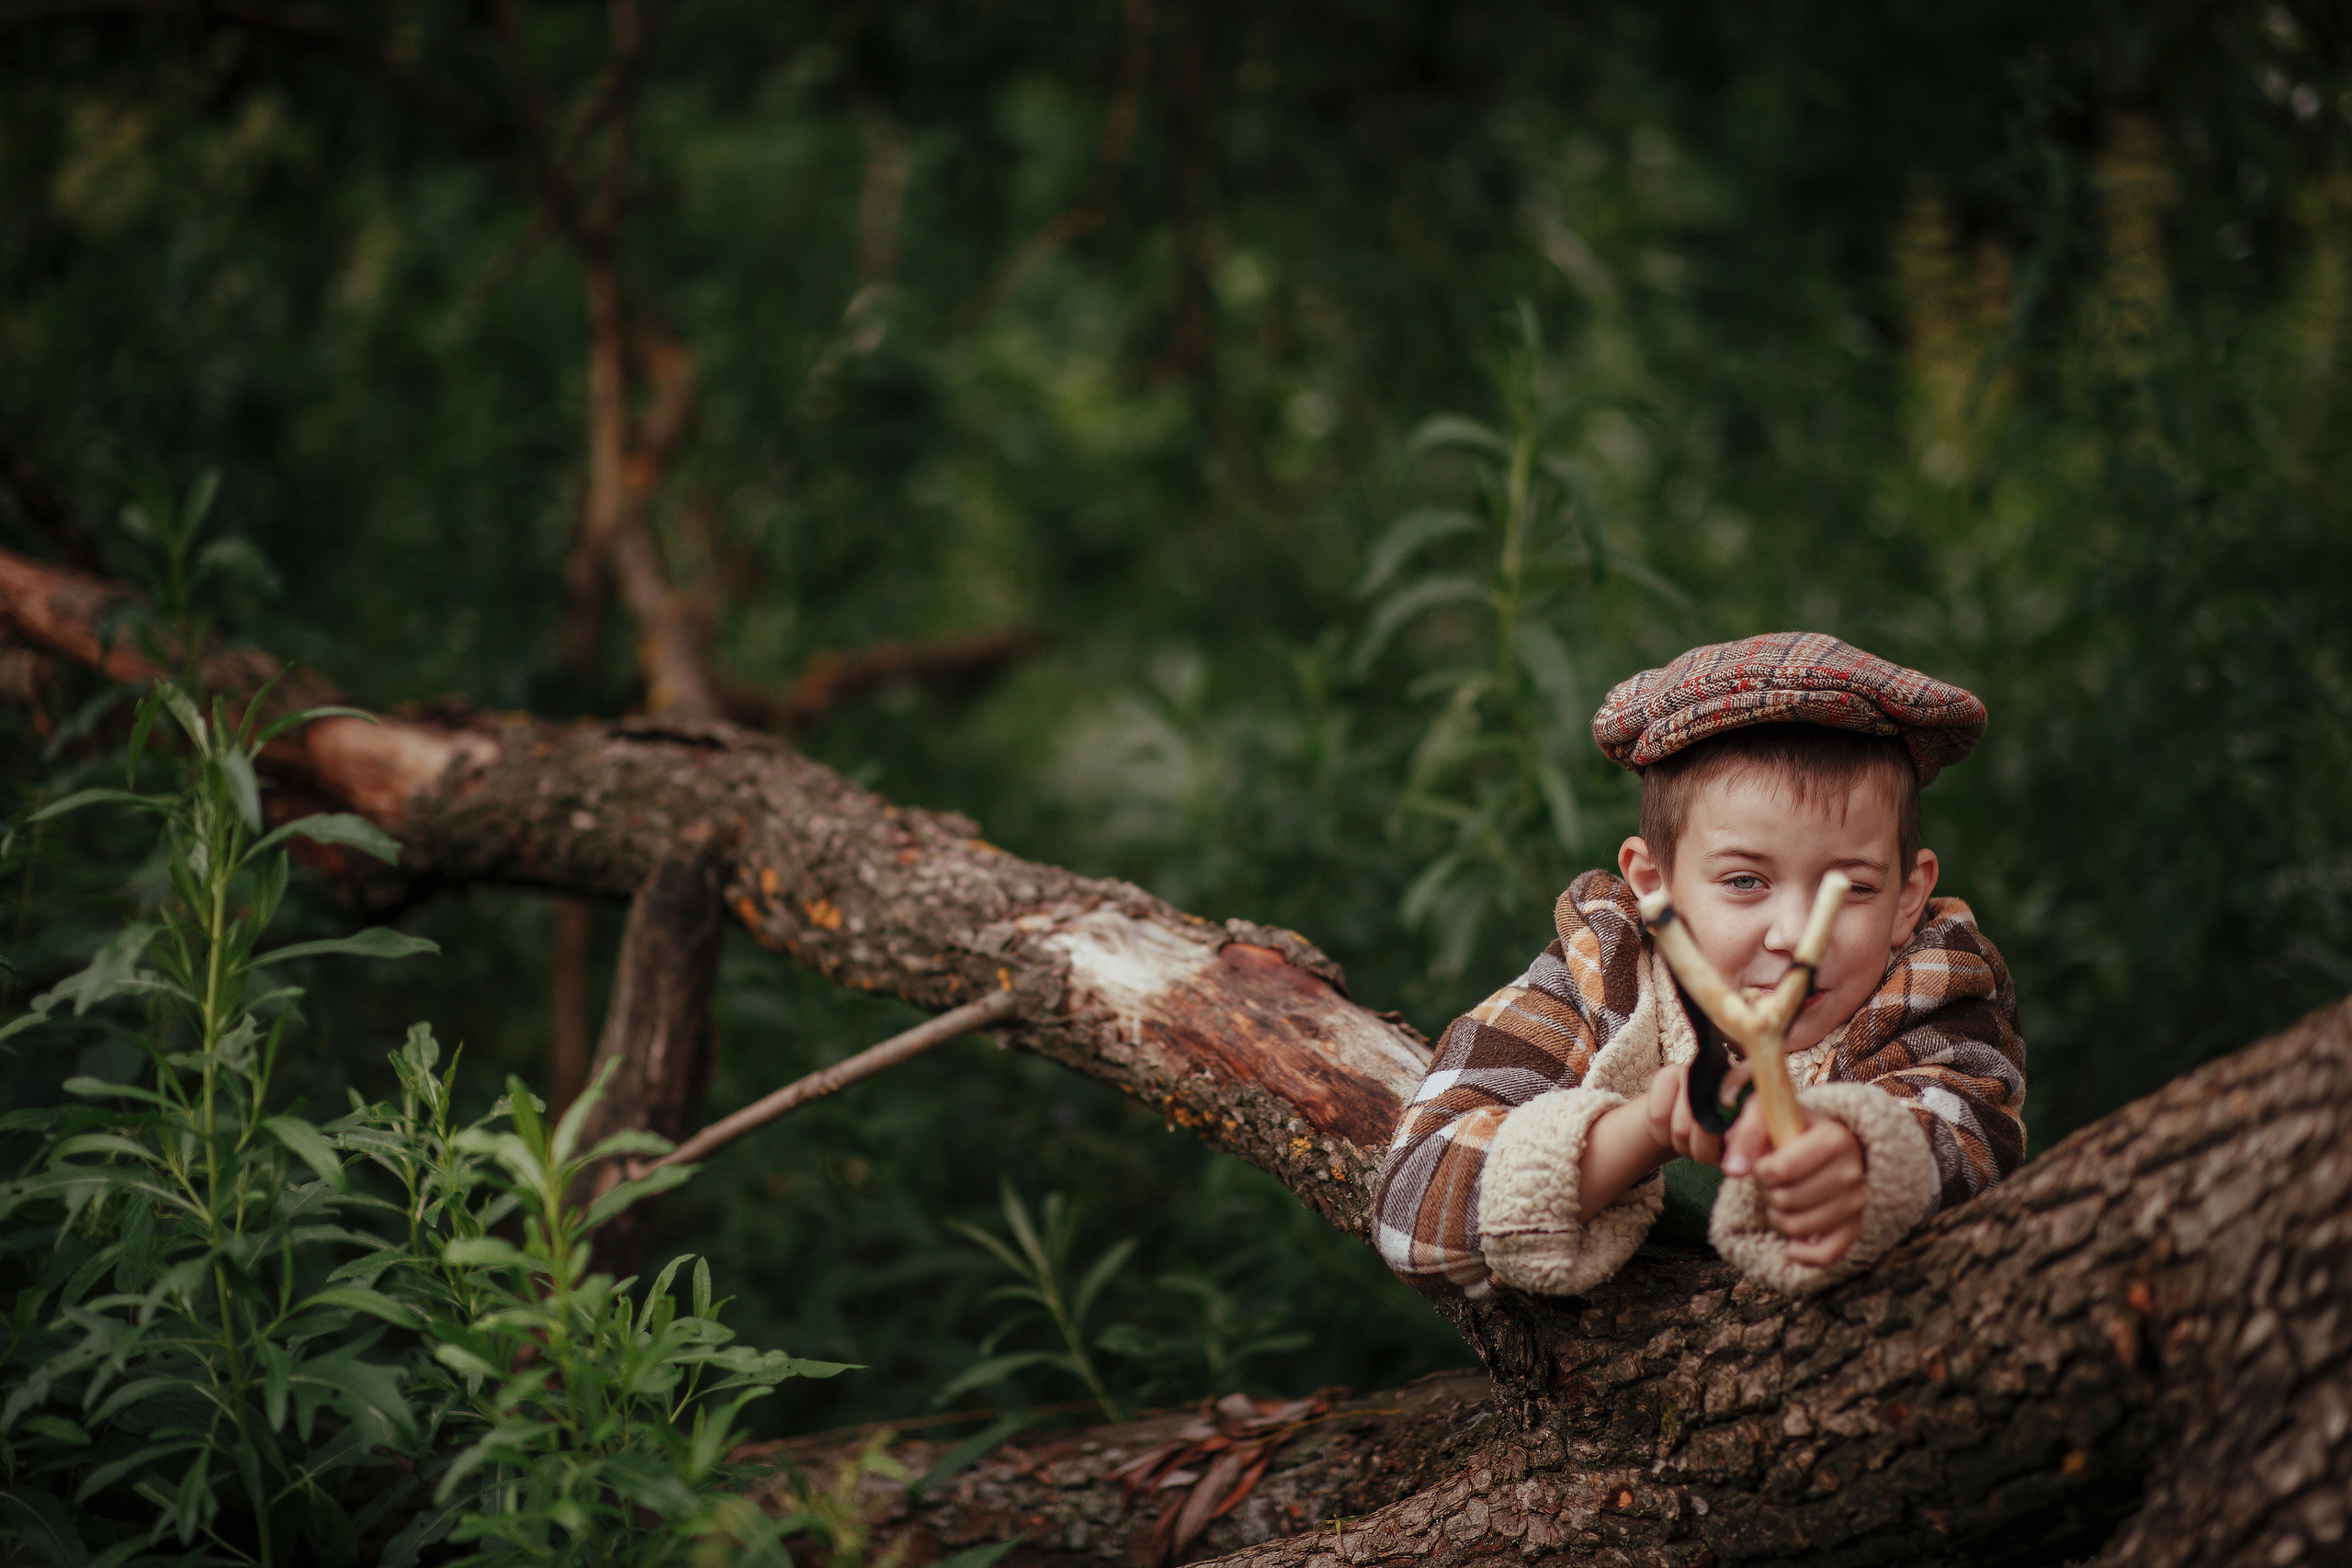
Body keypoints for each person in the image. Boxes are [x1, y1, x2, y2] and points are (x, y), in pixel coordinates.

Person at [1370, 632, 2027, 1298]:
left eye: (1852, 887)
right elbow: (1410, 1219)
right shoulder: (1599, 977)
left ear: (1907, 898)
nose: (1798, 938)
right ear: (1653, 884)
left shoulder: (1929, 990)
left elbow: (1975, 1136)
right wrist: (1645, 1128)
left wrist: (1865, 1160)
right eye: (1745, 881)